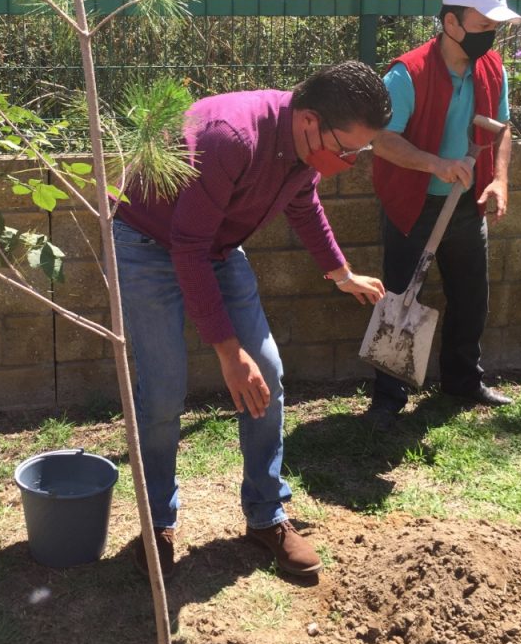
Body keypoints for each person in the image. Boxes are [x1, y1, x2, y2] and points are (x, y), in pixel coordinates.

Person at [113, 60, 391, 580]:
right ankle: (157, 525)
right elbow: (187, 247)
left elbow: (303, 203)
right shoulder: (231, 138)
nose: (351, 161)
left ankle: (267, 516)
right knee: (164, 388)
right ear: (309, 120)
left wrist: (341, 273)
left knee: (268, 374)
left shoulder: (305, 145)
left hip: (215, 246)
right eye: (347, 148)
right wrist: (226, 351)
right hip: (147, 244)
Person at [368, 0, 521, 430]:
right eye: (483, 23)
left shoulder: (493, 68)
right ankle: (388, 397)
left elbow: (503, 128)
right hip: (411, 205)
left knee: (471, 298)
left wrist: (499, 180)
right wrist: (436, 164)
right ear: (451, 22)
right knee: (400, 298)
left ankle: (462, 381)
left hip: (467, 205)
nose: (490, 33)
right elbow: (381, 140)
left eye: (496, 24)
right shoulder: (407, 72)